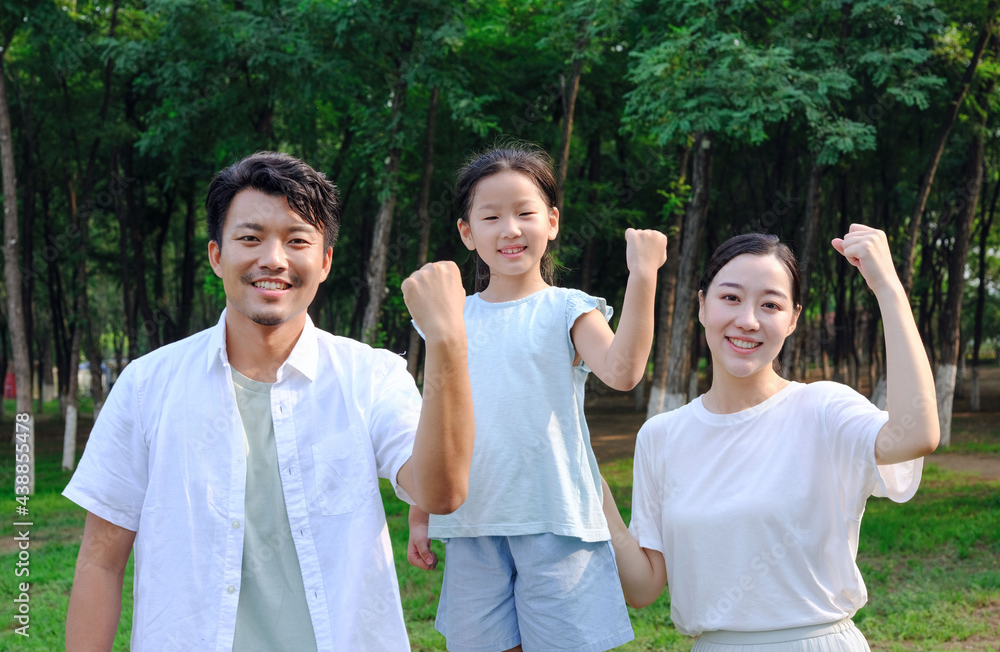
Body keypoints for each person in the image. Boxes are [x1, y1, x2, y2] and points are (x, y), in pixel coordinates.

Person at [63, 151, 475, 651]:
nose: (273, 259)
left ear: (324, 261)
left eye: (297, 240)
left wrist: (448, 342)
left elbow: (440, 493)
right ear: (217, 255)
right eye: (251, 238)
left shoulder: (371, 376)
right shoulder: (148, 385)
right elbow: (100, 561)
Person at [601, 225, 940, 652]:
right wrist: (589, 487)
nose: (748, 320)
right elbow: (643, 587)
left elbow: (918, 434)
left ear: (793, 318)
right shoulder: (662, 436)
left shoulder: (823, 410)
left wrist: (887, 286)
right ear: (702, 305)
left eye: (770, 304)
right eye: (730, 298)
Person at [407, 142, 668, 652]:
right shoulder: (450, 318)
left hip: (557, 518)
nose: (510, 229)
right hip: (473, 520)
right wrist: (421, 509)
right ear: (467, 232)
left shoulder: (567, 309)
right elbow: (433, 413)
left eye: (525, 213)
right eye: (491, 216)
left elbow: (623, 371)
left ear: (550, 222)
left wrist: (644, 276)